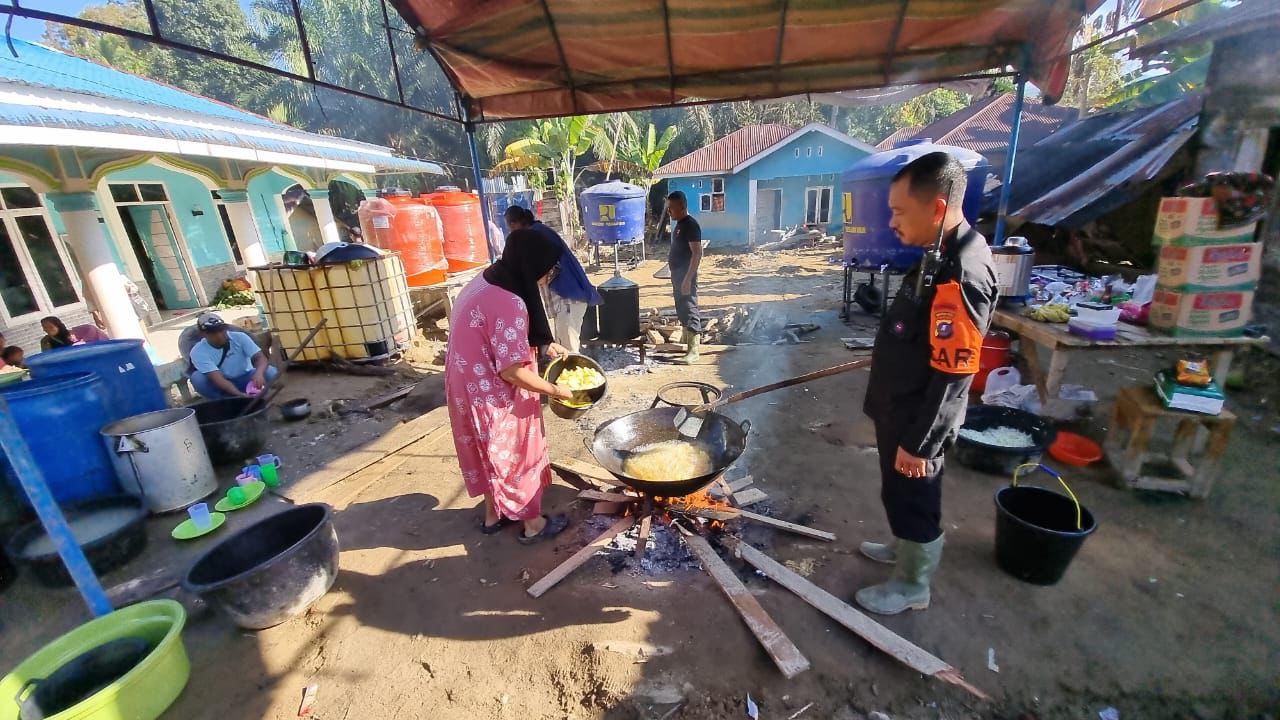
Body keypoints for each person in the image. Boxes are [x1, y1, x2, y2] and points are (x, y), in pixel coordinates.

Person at [857, 152, 998, 616]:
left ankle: (912, 585)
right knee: (897, 492)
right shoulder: (939, 255)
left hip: (919, 417)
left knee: (915, 496)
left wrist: (921, 443)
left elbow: (955, 372)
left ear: (937, 208)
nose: (892, 222)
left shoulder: (963, 271)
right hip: (899, 405)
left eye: (900, 212)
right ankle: (904, 547)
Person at [445, 228, 575, 543]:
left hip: (464, 386)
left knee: (487, 452)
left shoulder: (487, 279)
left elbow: (493, 333)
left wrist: (544, 345)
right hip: (492, 393)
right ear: (532, 264)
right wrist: (556, 391)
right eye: (549, 268)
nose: (549, 275)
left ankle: (493, 516)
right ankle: (533, 525)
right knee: (515, 453)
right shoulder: (510, 302)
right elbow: (511, 372)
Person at [504, 205, 599, 353]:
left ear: (514, 223)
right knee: (562, 348)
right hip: (563, 299)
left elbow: (552, 268)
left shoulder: (535, 236)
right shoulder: (537, 231)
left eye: (510, 227)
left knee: (568, 352)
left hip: (568, 297)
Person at [188, 312, 278, 399]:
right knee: (197, 378)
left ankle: (258, 394)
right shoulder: (197, 351)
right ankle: (224, 400)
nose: (219, 335)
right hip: (222, 383)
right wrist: (239, 395)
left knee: (270, 371)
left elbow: (260, 357)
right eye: (213, 333)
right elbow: (218, 379)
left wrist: (259, 374)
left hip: (246, 377)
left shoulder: (240, 337)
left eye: (221, 330)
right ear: (202, 334)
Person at [666, 191, 703, 364]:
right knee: (681, 307)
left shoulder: (691, 225)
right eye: (668, 208)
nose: (669, 211)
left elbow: (697, 253)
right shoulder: (680, 225)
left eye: (671, 208)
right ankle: (686, 340)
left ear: (682, 207)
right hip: (678, 274)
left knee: (689, 308)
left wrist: (688, 279)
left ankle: (694, 350)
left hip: (687, 275)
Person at [38, 316, 110, 351]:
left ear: (58, 326)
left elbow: (91, 329)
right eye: (44, 327)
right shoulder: (46, 341)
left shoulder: (75, 335)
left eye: (50, 327)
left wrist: (83, 341)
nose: (46, 330)